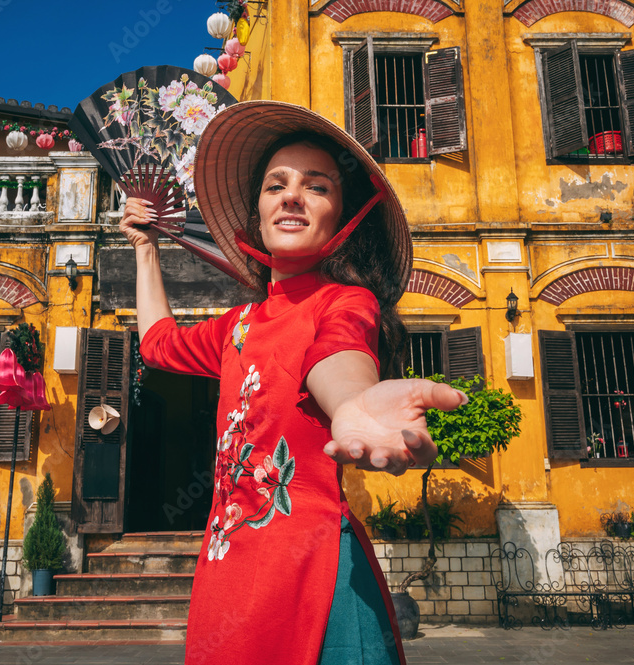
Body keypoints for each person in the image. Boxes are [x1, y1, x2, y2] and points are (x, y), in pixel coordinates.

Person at [119, 101, 468, 665]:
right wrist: (144, 247)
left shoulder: (344, 302)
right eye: (275, 184)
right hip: (228, 568)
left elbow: (340, 357)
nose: (291, 196)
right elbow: (157, 344)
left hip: (315, 569)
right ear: (257, 214)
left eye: (317, 186)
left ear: (344, 216)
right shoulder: (238, 325)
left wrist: (354, 404)